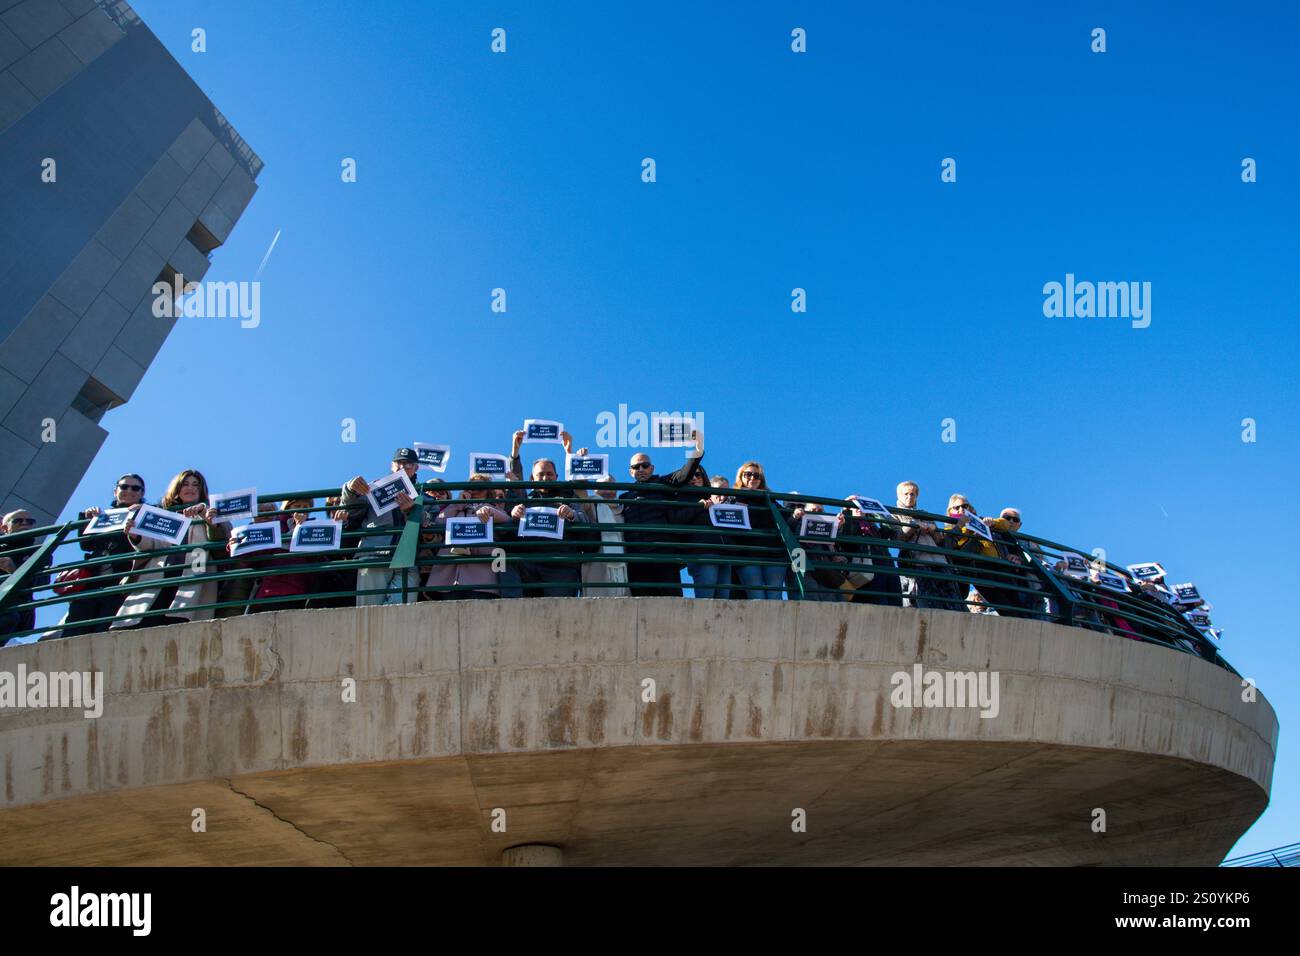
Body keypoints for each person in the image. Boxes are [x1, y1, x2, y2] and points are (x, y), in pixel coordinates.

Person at [112, 469, 229, 629]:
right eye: (185, 484)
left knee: (181, 622)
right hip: (160, 572)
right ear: (177, 488)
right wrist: (135, 535)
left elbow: (223, 542)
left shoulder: (212, 511)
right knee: (146, 621)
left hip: (195, 571)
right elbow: (152, 545)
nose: (191, 488)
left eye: (196, 485)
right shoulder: (163, 513)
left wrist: (206, 518)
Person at [618, 430, 706, 597]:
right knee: (642, 604)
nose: (641, 469)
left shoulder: (663, 484)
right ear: (631, 471)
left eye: (645, 465)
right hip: (637, 558)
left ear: (652, 468)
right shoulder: (624, 497)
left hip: (663, 554)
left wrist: (697, 448)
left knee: (672, 601)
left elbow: (684, 474)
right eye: (636, 466)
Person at [61, 474, 147, 636]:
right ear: (116, 491)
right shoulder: (104, 515)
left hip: (121, 582)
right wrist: (87, 519)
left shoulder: (147, 514)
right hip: (91, 582)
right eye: (124, 487)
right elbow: (86, 545)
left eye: (135, 488)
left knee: (105, 630)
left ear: (142, 493)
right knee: (75, 629)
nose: (129, 491)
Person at [338, 448, 421, 606]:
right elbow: (353, 510)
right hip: (373, 555)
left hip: (408, 559)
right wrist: (350, 488)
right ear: (392, 465)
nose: (402, 467)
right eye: (399, 463)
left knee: (403, 613)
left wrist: (411, 512)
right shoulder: (374, 488)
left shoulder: (424, 493)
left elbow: (428, 521)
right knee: (369, 613)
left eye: (408, 464)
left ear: (416, 468)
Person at [508, 455, 592, 597]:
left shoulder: (569, 497)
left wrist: (571, 514)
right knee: (530, 614)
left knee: (560, 613)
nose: (545, 478)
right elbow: (515, 482)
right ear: (532, 478)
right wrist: (514, 514)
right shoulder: (526, 500)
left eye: (549, 474)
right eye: (540, 474)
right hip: (529, 567)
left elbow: (584, 518)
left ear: (556, 476)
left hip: (562, 567)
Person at [426, 475, 511, 599]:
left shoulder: (492, 508)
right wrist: (457, 504)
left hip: (482, 579)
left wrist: (490, 511)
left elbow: (507, 520)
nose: (474, 491)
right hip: (449, 578)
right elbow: (439, 522)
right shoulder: (456, 507)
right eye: (471, 488)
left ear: (488, 492)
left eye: (479, 488)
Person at [229, 499, 316, 612]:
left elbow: (319, 557)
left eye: (306, 507)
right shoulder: (274, 527)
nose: (302, 509)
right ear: (286, 508)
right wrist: (236, 545)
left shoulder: (314, 526)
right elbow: (246, 558)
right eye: (297, 505)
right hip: (273, 589)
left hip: (303, 588)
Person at [893, 481, 963, 611]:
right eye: (906, 494)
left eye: (913, 494)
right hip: (919, 562)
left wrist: (932, 530)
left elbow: (939, 540)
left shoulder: (924, 513)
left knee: (952, 600)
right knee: (929, 602)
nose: (910, 497)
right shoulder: (894, 514)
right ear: (899, 495)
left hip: (939, 561)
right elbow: (897, 538)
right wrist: (913, 527)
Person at [673, 473, 734, 599]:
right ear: (710, 490)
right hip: (704, 555)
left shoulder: (730, 509)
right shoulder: (698, 503)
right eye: (718, 492)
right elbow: (678, 520)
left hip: (726, 557)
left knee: (724, 602)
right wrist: (700, 507)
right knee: (706, 600)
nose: (723, 497)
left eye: (726, 492)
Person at [732, 461, 786, 600]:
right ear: (741, 477)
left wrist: (797, 515)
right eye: (748, 474)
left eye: (757, 476)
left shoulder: (769, 499)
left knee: (775, 597)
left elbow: (785, 520)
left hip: (773, 554)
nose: (752, 478)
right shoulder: (733, 497)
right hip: (747, 554)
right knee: (756, 597)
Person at [835, 497, 904, 607]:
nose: (858, 508)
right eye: (854, 506)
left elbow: (893, 528)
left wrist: (875, 510)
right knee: (878, 601)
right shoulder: (847, 523)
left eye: (860, 506)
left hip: (886, 563)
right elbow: (847, 541)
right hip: (867, 567)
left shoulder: (872, 524)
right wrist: (846, 509)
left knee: (895, 598)